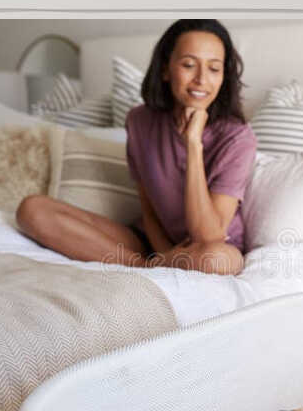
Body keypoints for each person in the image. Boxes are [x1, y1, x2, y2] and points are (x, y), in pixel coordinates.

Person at [16, 18, 254, 276]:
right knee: (32, 209)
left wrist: (193, 145)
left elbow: (208, 235)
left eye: (214, 69)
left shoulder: (238, 138)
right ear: (165, 69)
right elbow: (149, 206)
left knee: (215, 260)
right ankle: (143, 268)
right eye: (188, 65)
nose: (201, 80)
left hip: (212, 248)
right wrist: (164, 256)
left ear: (224, 77)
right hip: (153, 244)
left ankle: (144, 266)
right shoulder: (140, 120)